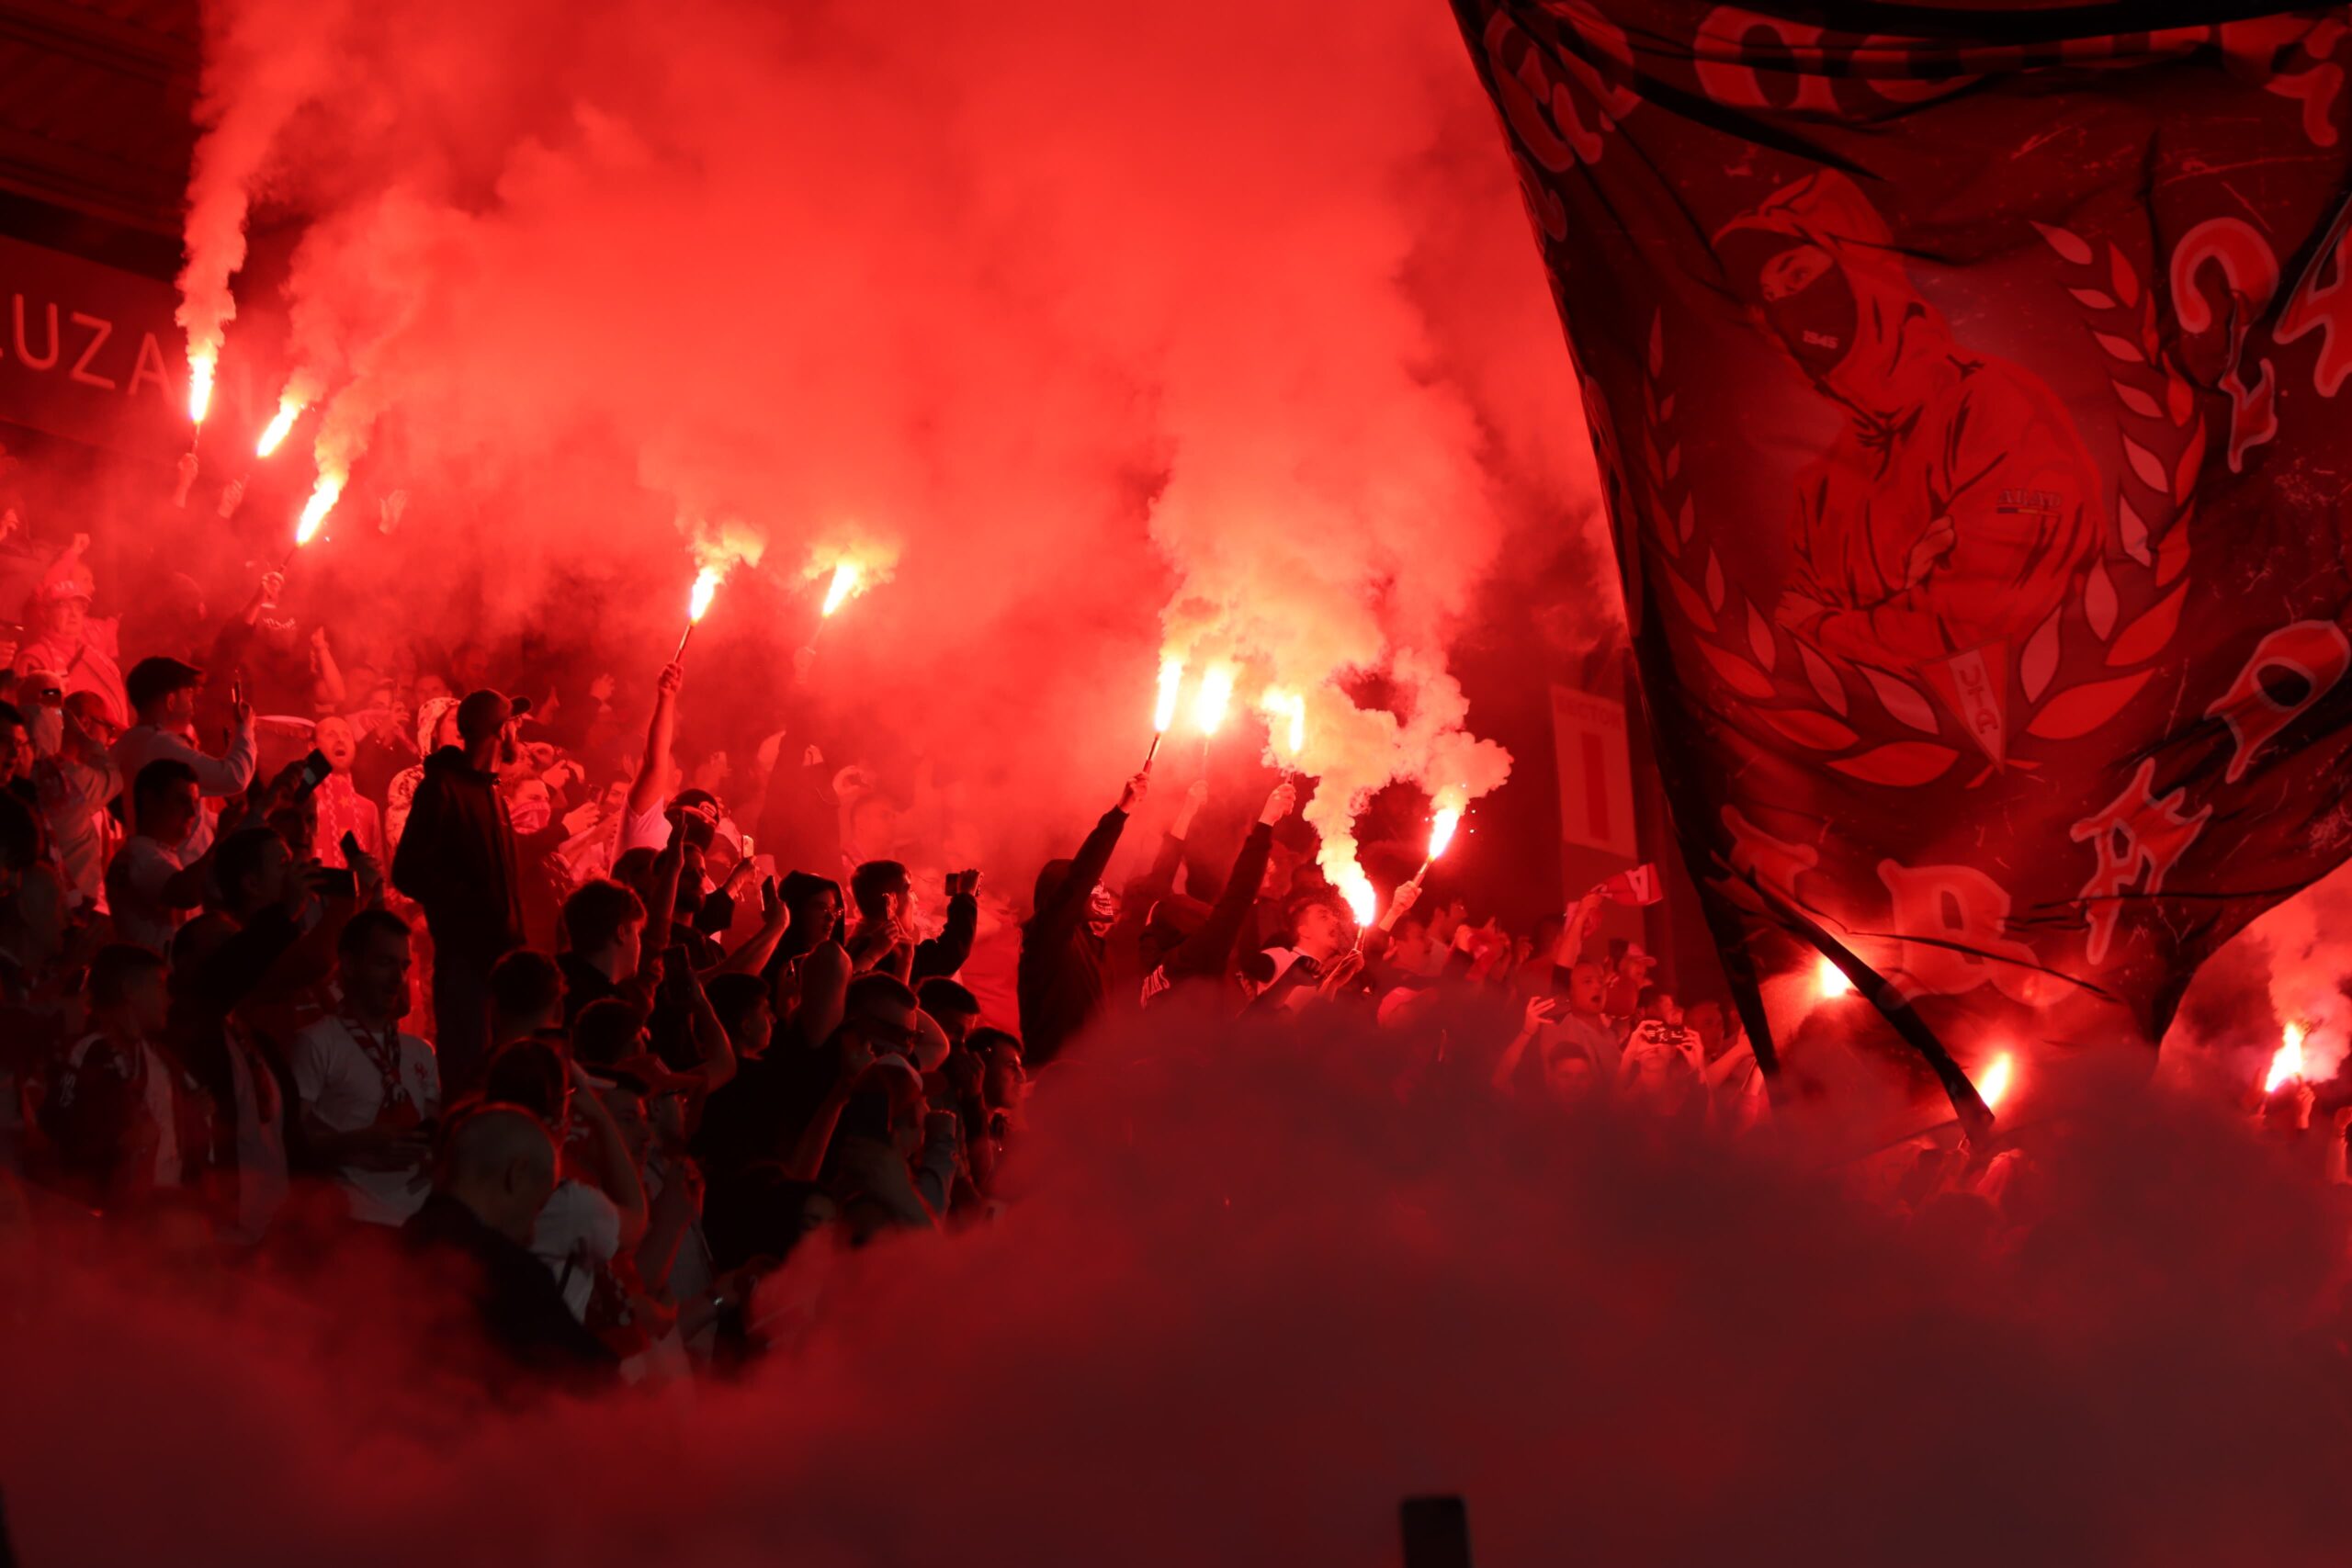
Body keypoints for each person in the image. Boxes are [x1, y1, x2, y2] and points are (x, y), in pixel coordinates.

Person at [401, 1104, 615, 1382]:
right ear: (517, 1174)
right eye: (538, 1207)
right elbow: (595, 1378)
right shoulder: (508, 1274)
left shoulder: (384, 1249)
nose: (532, 1234)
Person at [391, 688, 526, 1092]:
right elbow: (407, 871)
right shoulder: (442, 787)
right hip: (465, 968)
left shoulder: (493, 793)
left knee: (499, 1082)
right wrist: (472, 911)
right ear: (500, 731)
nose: (517, 732)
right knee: (468, 1083)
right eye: (513, 723)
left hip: (501, 968)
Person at [290, 909, 440, 1226]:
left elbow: (433, 1128)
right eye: (384, 963)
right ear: (349, 964)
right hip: (354, 1223)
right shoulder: (316, 1042)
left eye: (403, 966)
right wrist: (359, 1142)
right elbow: (292, 1141)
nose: (397, 979)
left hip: (420, 1221)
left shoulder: (420, 1051)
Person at [42, 944, 193, 1209]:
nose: (169, 999)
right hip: (115, 1216)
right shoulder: (90, 1050)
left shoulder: (158, 1056)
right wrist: (117, 1141)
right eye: (159, 985)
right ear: (129, 990)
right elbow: (58, 1124)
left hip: (161, 1210)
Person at [1017, 772, 1146, 1068]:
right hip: (1052, 1078)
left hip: (1093, 1079)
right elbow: (1079, 878)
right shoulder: (1046, 939)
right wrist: (1120, 812)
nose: (1098, 889)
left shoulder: (1095, 948)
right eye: (1091, 886)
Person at [112, 656, 256, 859]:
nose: (193, 705)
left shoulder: (127, 743)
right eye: (189, 695)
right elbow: (235, 776)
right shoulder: (158, 743)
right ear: (171, 701)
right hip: (180, 866)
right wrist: (245, 728)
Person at [105, 760, 210, 955]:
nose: (192, 812)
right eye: (182, 801)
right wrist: (224, 838)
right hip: (148, 973)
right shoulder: (136, 855)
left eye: (195, 803)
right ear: (150, 800)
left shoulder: (158, 854)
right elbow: (185, 893)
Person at [557, 877, 647, 1028]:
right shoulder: (606, 1013)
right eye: (637, 932)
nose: (639, 943)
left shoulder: (554, 986)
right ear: (621, 933)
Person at [310, 715, 382, 871]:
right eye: (331, 735)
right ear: (312, 748)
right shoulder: (302, 801)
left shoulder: (369, 809)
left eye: (346, 735)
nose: (340, 740)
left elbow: (378, 871)